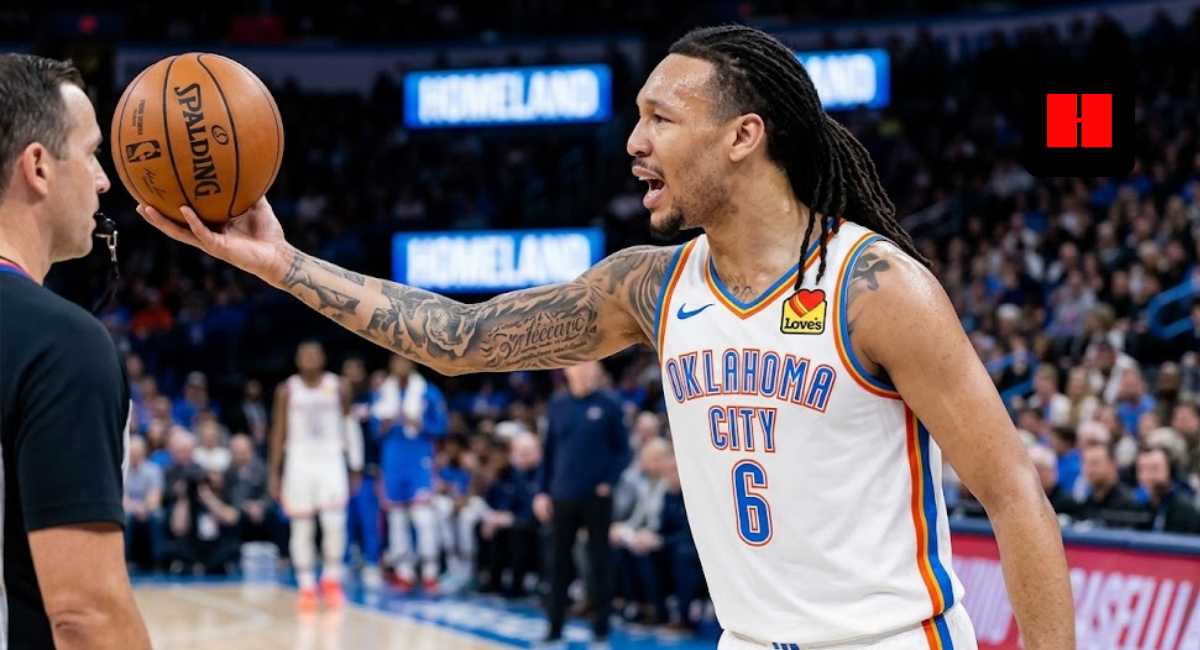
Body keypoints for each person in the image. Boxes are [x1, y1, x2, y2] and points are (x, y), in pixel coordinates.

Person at [138, 24, 1075, 650]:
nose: (633, 141)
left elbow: (1012, 495)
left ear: (745, 135)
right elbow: (460, 337)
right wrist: (281, 263)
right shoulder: (654, 285)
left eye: (660, 118)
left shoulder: (877, 288)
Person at [0, 53, 152, 649]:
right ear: (38, 165)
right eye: (91, 154)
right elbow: (86, 617)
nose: (103, 180)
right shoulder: (59, 345)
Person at [534, 361, 629, 644]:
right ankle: (554, 630)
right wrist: (542, 492)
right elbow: (548, 451)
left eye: (591, 367)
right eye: (579, 366)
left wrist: (607, 483)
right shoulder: (557, 404)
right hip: (562, 496)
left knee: (599, 563)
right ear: (567, 371)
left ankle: (600, 630)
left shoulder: (610, 405)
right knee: (558, 565)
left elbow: (623, 451)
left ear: (599, 371)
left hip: (596, 499)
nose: (585, 372)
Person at [270, 341, 363, 610]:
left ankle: (332, 578)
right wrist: (275, 473)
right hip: (299, 460)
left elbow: (350, 425)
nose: (309, 358)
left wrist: (355, 463)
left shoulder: (339, 386)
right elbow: (278, 433)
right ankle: (306, 583)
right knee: (302, 525)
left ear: (323, 358)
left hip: (330, 459)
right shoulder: (286, 390)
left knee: (334, 522)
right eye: (304, 354)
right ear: (297, 360)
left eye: (314, 354)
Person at [370, 354, 448, 593]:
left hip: (419, 459)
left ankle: (430, 572)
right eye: (396, 362)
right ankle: (403, 572)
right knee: (396, 520)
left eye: (405, 362)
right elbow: (374, 432)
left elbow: (442, 425)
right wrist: (385, 423)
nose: (401, 366)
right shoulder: (383, 393)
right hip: (393, 460)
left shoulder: (428, 391)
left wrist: (421, 424)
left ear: (412, 364)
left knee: (423, 518)